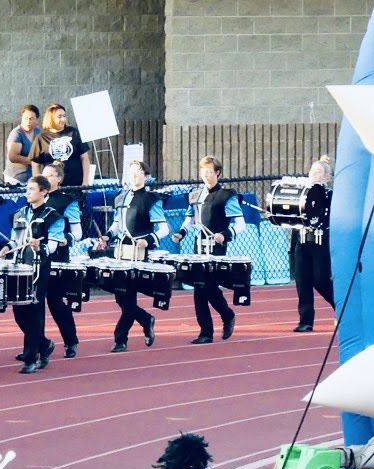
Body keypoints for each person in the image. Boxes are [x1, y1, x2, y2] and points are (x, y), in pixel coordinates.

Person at [172, 156, 244, 343]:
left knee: (208, 286)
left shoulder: (227, 196)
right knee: (199, 287)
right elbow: (190, 219)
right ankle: (207, 331)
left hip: (217, 247)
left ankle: (226, 315)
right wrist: (181, 233)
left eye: (209, 172)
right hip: (199, 246)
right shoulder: (195, 195)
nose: (205, 176)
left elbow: (240, 224)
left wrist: (225, 235)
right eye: (203, 172)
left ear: (218, 173)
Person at [100, 160, 168, 352]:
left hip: (139, 252)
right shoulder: (120, 198)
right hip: (121, 252)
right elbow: (116, 224)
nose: (134, 176)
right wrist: (107, 235)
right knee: (121, 298)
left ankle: (120, 339)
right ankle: (146, 320)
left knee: (128, 296)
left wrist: (148, 239)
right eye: (131, 173)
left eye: (139, 173)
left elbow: (163, 229)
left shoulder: (151, 199)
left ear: (146, 177)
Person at [0, 176, 64, 374]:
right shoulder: (20, 214)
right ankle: (44, 344)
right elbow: (14, 240)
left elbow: (53, 245)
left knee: (35, 311)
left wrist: (41, 246)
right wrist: (7, 248)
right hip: (20, 267)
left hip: (38, 268)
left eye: (32, 189)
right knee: (19, 313)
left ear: (44, 192)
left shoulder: (52, 216)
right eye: (27, 189)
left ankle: (30, 358)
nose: (27, 192)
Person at [39, 164, 83, 358]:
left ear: (59, 179)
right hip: (36, 258)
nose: (46, 179)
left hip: (57, 257)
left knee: (55, 302)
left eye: (50, 176)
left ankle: (70, 341)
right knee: (34, 303)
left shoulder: (67, 202)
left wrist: (66, 240)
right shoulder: (36, 200)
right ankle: (35, 345)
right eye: (43, 175)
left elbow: (78, 233)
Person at [291, 156, 335, 333]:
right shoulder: (303, 193)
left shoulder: (330, 195)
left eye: (318, 172)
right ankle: (305, 320)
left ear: (326, 177)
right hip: (302, 240)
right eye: (312, 172)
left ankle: (342, 307)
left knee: (321, 280)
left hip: (321, 241)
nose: (314, 175)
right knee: (302, 281)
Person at [30, 103, 90, 188]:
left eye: (64, 116)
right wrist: (39, 185)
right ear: (51, 118)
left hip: (76, 184)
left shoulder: (73, 132)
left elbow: (85, 158)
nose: (63, 119)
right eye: (59, 116)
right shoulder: (41, 138)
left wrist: (85, 181)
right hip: (52, 188)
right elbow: (35, 165)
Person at [4, 104, 40, 185]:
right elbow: (13, 157)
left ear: (37, 120)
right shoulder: (16, 134)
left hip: (32, 177)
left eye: (31, 118)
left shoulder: (38, 132)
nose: (28, 121)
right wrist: (34, 161)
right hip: (16, 178)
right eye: (25, 118)